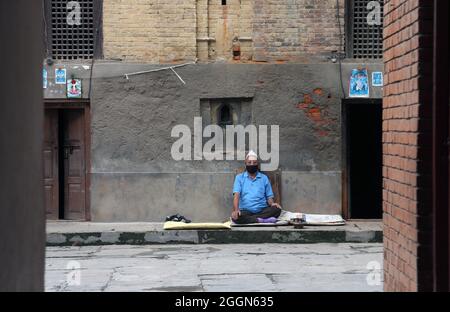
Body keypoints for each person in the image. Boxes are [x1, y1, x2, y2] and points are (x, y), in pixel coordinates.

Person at [231, 150, 282, 224]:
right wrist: (236, 210)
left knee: (277, 210)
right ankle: (261, 220)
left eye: (254, 163)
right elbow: (236, 195)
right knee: (235, 218)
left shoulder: (264, 178)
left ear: (257, 164)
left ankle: (253, 219)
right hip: (245, 211)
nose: (252, 164)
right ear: (245, 164)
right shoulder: (239, 178)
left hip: (262, 210)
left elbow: (269, 197)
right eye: (249, 162)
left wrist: (272, 204)